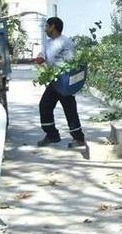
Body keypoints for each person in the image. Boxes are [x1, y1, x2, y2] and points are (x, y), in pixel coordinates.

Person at [35, 17, 86, 148]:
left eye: (47, 26)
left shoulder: (65, 42)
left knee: (70, 110)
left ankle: (79, 138)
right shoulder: (47, 42)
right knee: (45, 106)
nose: (45, 28)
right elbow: (43, 54)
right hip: (54, 81)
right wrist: (40, 58)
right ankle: (52, 135)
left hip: (64, 82)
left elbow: (72, 62)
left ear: (53, 27)